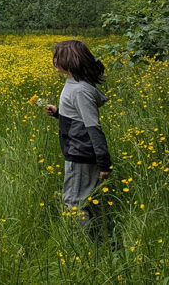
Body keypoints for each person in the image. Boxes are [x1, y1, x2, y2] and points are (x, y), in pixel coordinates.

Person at [43, 40, 112, 232]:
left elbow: (93, 128)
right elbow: (78, 118)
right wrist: (58, 113)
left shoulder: (80, 90)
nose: (54, 60)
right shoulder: (74, 84)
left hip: (80, 154)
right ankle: (102, 239)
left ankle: (84, 243)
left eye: (58, 57)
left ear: (71, 61)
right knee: (88, 200)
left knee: (74, 202)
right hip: (78, 151)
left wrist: (104, 162)